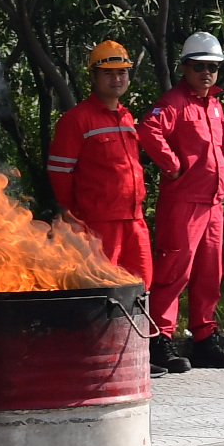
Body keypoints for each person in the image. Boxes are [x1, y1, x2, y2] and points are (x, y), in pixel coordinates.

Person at [140, 32, 224, 370]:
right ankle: (160, 341)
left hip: (213, 202)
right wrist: (172, 165)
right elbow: (148, 130)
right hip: (184, 202)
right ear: (185, 68)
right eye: (199, 66)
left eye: (212, 67)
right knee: (174, 272)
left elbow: (223, 148)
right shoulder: (173, 102)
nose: (206, 72)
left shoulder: (214, 104)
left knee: (210, 273)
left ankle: (204, 339)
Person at [50, 41, 156, 338]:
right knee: (103, 289)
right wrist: (74, 214)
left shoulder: (126, 117)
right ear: (94, 77)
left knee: (141, 283)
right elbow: (60, 173)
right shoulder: (77, 120)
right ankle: (102, 352)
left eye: (122, 72)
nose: (117, 78)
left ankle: (137, 355)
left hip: (134, 221)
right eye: (109, 73)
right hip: (98, 223)